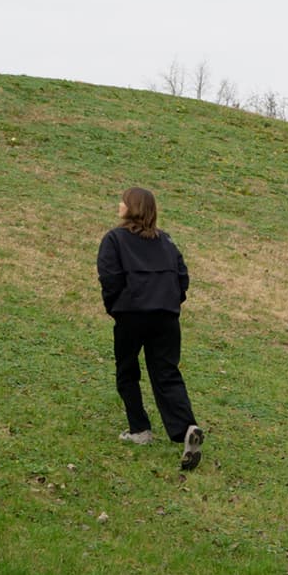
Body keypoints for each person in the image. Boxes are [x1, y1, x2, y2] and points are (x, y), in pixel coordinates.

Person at [96, 186, 204, 471]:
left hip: (131, 315)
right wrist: (170, 303)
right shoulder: (166, 242)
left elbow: (109, 278)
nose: (119, 204)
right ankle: (186, 429)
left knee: (127, 371)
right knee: (167, 373)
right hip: (166, 318)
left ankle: (139, 430)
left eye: (123, 201)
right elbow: (183, 277)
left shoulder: (114, 239)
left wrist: (117, 307)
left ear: (132, 208)